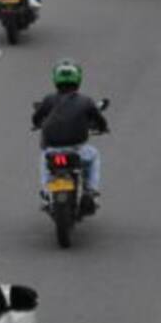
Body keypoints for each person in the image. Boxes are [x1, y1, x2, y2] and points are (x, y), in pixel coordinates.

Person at [32, 60, 109, 211]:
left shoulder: (48, 99)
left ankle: (47, 192)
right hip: (77, 151)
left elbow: (36, 118)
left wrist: (38, 123)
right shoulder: (86, 101)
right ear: (78, 80)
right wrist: (103, 128)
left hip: (52, 150)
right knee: (94, 155)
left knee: (44, 160)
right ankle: (91, 190)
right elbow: (100, 120)